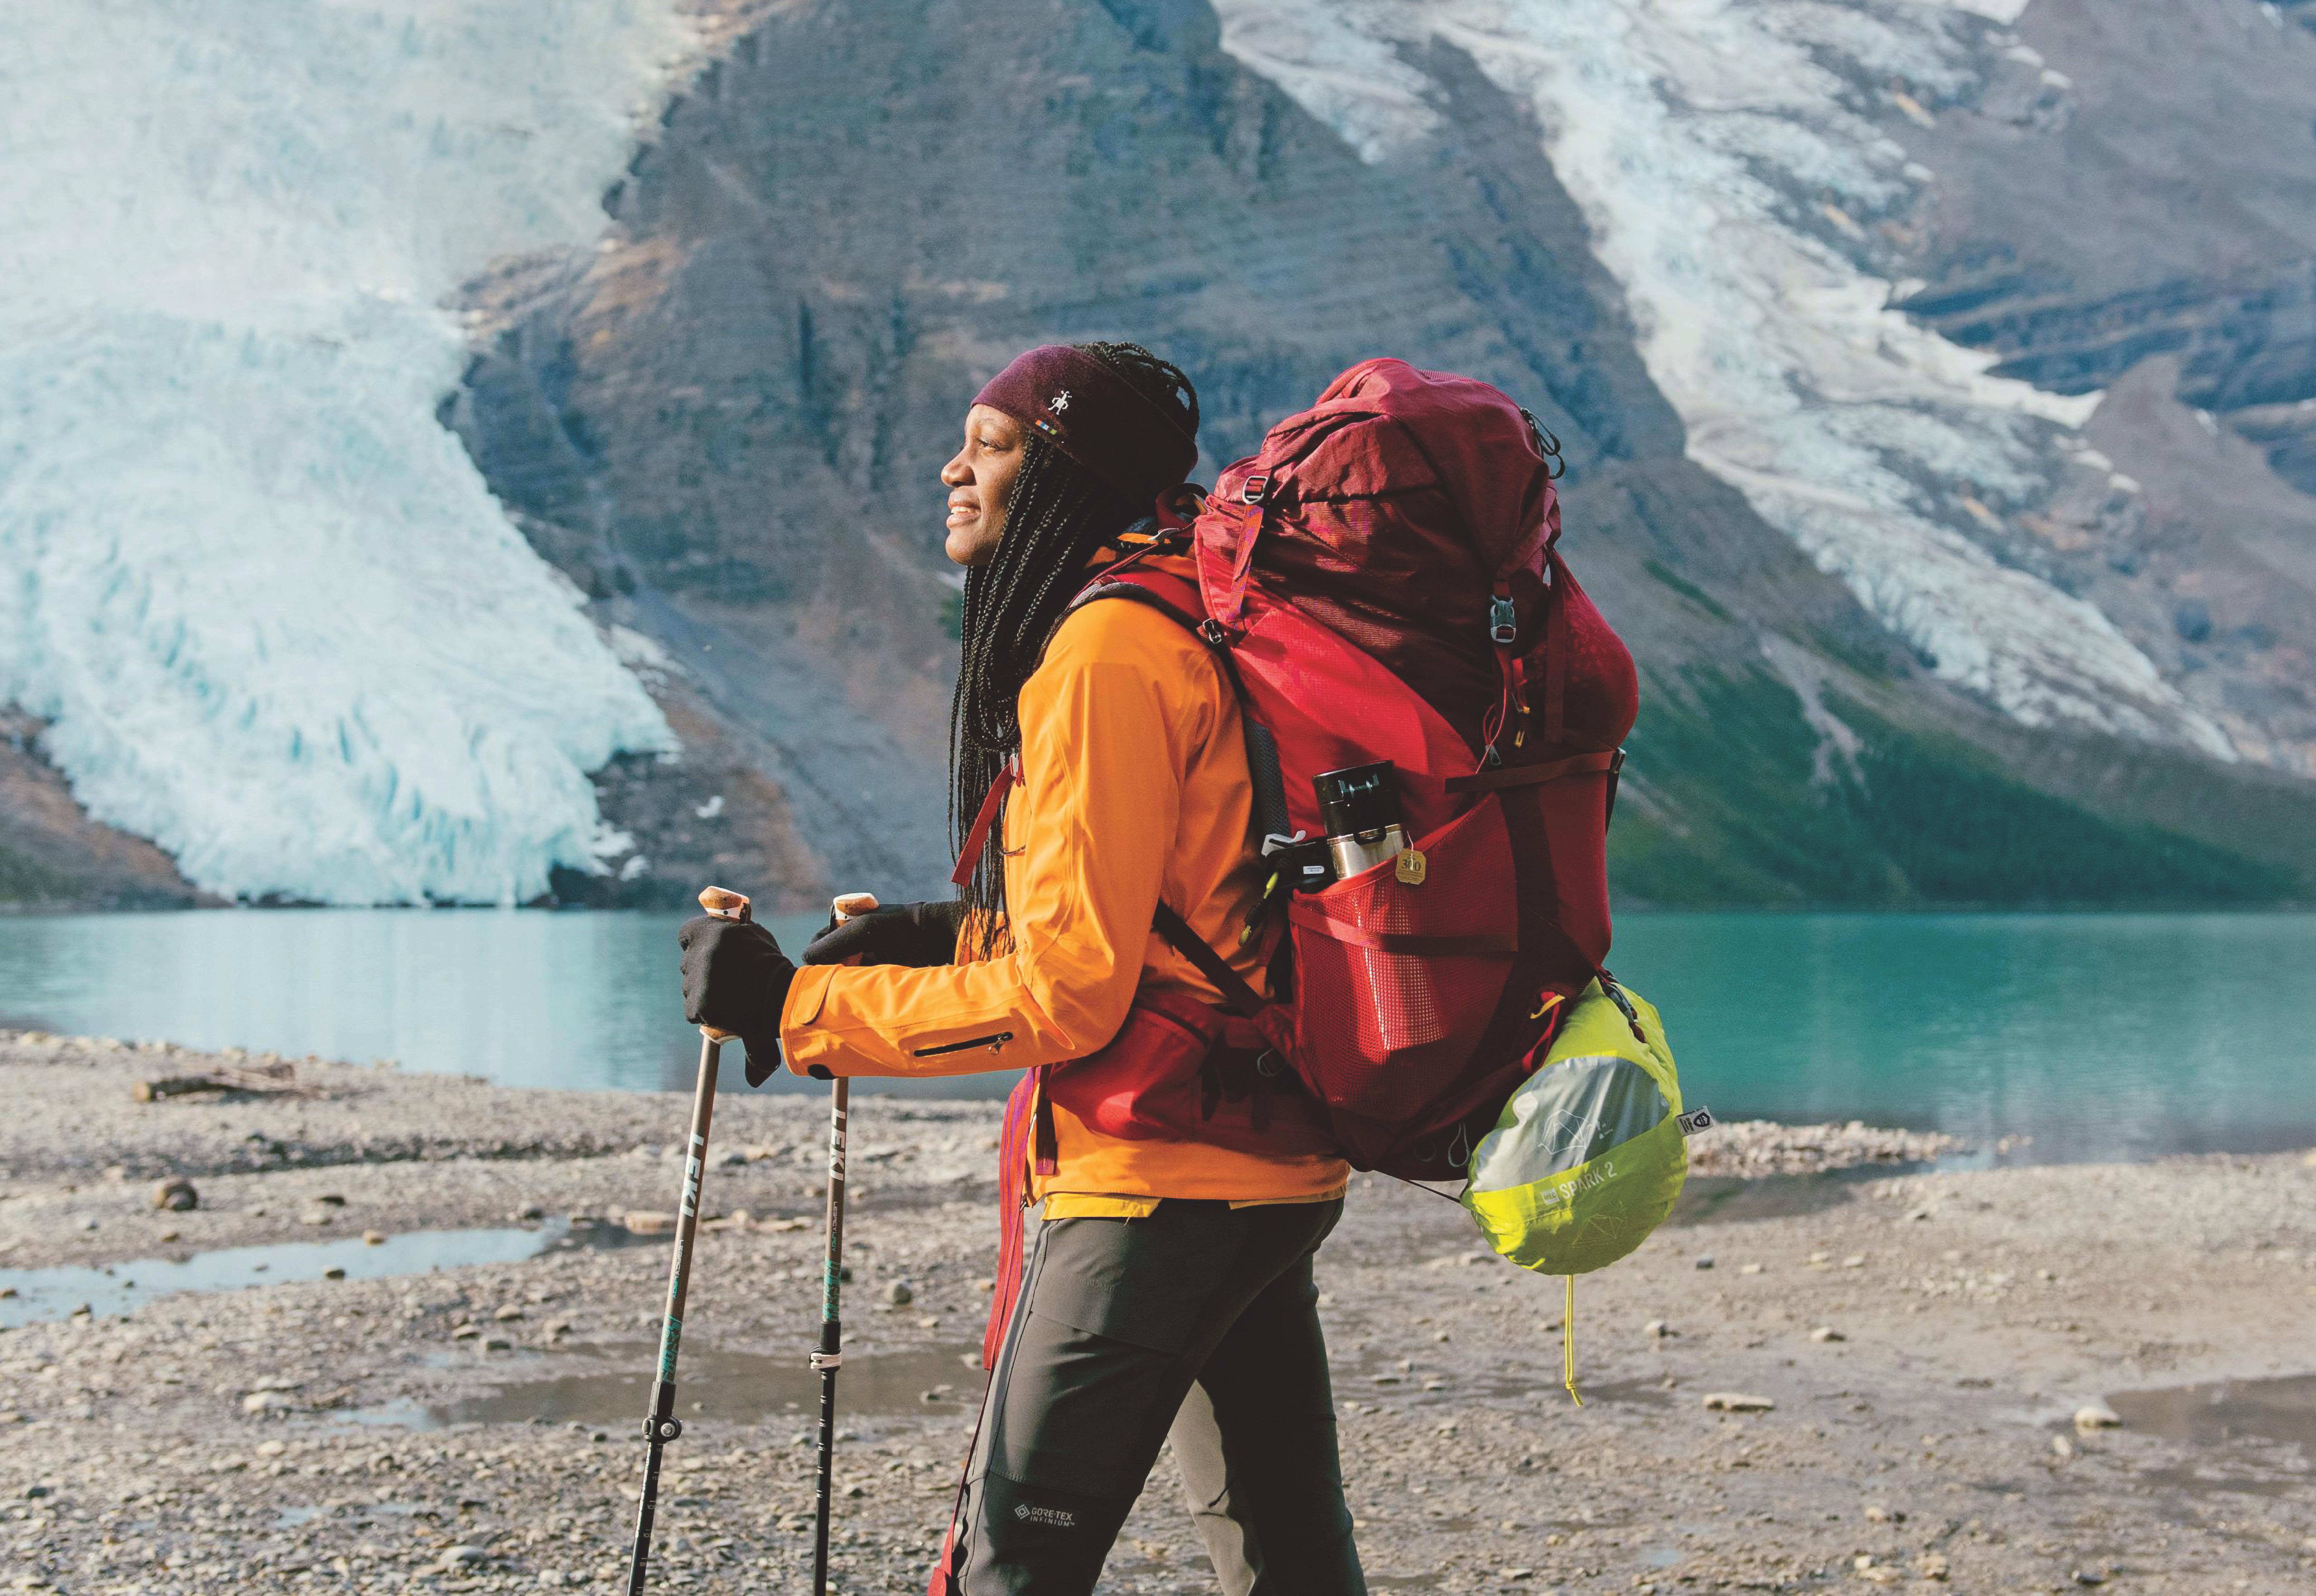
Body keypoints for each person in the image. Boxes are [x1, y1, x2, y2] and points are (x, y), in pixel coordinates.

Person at [679, 341, 1366, 1594]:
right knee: (1291, 1569)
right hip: (1270, 1161)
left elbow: (1071, 992)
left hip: (1157, 1176)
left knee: (1010, 1572)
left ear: (1066, 476)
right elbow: (1172, 906)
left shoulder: (1106, 650)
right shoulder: (1184, 617)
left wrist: (796, 1004)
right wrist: (943, 931)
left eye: (991, 445)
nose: (954, 467)